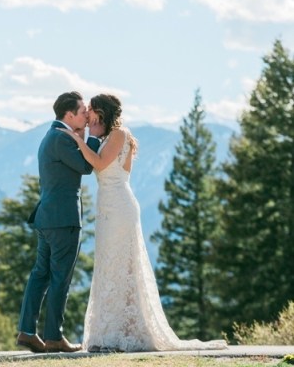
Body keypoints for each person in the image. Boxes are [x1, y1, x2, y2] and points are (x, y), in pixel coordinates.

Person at [61, 93, 228, 353]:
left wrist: (77, 140)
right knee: (111, 267)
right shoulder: (106, 137)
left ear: (103, 112)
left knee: (123, 267)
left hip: (120, 208)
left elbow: (99, 163)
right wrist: (88, 136)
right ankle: (114, 330)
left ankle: (124, 332)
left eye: (92, 111)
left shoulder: (119, 135)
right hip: (108, 209)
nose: (89, 115)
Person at [17, 91, 103, 354]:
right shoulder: (61, 138)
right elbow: (86, 167)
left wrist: (80, 137)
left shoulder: (52, 135)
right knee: (59, 278)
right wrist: (95, 139)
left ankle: (28, 332)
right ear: (69, 115)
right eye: (82, 112)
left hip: (47, 217)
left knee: (40, 274)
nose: (86, 117)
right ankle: (54, 337)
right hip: (63, 220)